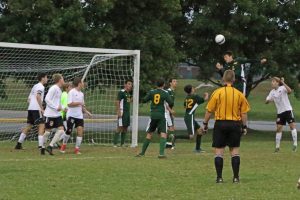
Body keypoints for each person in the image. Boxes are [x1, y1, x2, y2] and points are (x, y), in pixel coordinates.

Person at [203, 70, 250, 183]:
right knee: (234, 151)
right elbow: (244, 113)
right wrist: (244, 126)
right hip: (234, 124)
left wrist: (205, 124)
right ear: (233, 80)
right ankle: (236, 178)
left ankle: (219, 178)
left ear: (223, 79)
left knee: (219, 151)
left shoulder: (217, 93)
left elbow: (209, 111)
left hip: (220, 124)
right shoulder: (239, 94)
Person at [136, 79, 173, 158]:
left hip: (153, 115)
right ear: (163, 85)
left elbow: (145, 100)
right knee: (163, 133)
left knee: (149, 134)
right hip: (161, 115)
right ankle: (161, 154)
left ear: (156, 85)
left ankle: (142, 153)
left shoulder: (152, 92)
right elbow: (170, 102)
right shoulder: (165, 93)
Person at [15, 73, 48, 151]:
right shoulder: (41, 87)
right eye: (46, 77)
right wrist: (41, 108)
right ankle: (40, 146)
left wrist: (33, 106)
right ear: (42, 78)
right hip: (36, 109)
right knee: (41, 126)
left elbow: (29, 99)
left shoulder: (35, 86)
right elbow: (38, 96)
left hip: (30, 108)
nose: (47, 79)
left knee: (29, 126)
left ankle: (19, 144)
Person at [171, 84, 209, 152]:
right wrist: (206, 94)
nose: (194, 88)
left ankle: (197, 149)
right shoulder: (195, 96)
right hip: (190, 117)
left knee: (200, 131)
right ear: (191, 90)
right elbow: (205, 99)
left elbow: (185, 106)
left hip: (187, 116)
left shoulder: (187, 98)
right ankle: (175, 137)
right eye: (193, 88)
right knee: (191, 136)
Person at [60, 77, 92, 154]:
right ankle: (63, 145)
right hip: (71, 115)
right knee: (69, 131)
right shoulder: (71, 92)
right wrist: (79, 103)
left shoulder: (82, 94)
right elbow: (69, 104)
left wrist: (87, 112)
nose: (83, 84)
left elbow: (82, 106)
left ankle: (77, 149)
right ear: (79, 84)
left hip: (79, 116)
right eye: (82, 82)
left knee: (80, 130)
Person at [265, 77, 297, 152]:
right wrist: (268, 100)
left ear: (277, 83)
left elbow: (289, 91)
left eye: (273, 81)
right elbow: (266, 101)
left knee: (292, 126)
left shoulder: (282, 88)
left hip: (287, 110)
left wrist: (283, 83)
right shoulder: (272, 92)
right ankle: (277, 147)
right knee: (278, 128)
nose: (271, 83)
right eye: (271, 81)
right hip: (280, 112)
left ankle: (295, 144)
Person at [43, 74, 65, 155]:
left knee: (61, 130)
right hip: (50, 114)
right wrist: (56, 107)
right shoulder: (53, 88)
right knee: (47, 132)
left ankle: (50, 146)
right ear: (59, 80)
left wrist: (63, 108)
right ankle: (42, 146)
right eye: (63, 78)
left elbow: (58, 103)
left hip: (57, 114)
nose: (63, 80)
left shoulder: (59, 90)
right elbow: (47, 99)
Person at [113, 80, 133, 147]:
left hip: (127, 113)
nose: (130, 86)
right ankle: (115, 143)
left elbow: (128, 101)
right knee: (120, 127)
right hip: (122, 112)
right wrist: (118, 111)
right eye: (129, 84)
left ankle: (122, 143)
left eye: (131, 84)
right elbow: (117, 101)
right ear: (125, 85)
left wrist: (132, 99)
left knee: (126, 127)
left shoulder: (128, 94)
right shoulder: (121, 92)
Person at [165, 78, 177, 149]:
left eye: (176, 81)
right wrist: (170, 111)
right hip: (166, 112)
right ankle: (168, 144)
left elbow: (171, 104)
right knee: (170, 128)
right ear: (170, 83)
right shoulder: (168, 92)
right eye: (174, 81)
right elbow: (166, 103)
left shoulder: (173, 92)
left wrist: (171, 113)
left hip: (169, 112)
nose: (176, 83)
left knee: (171, 128)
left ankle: (169, 143)